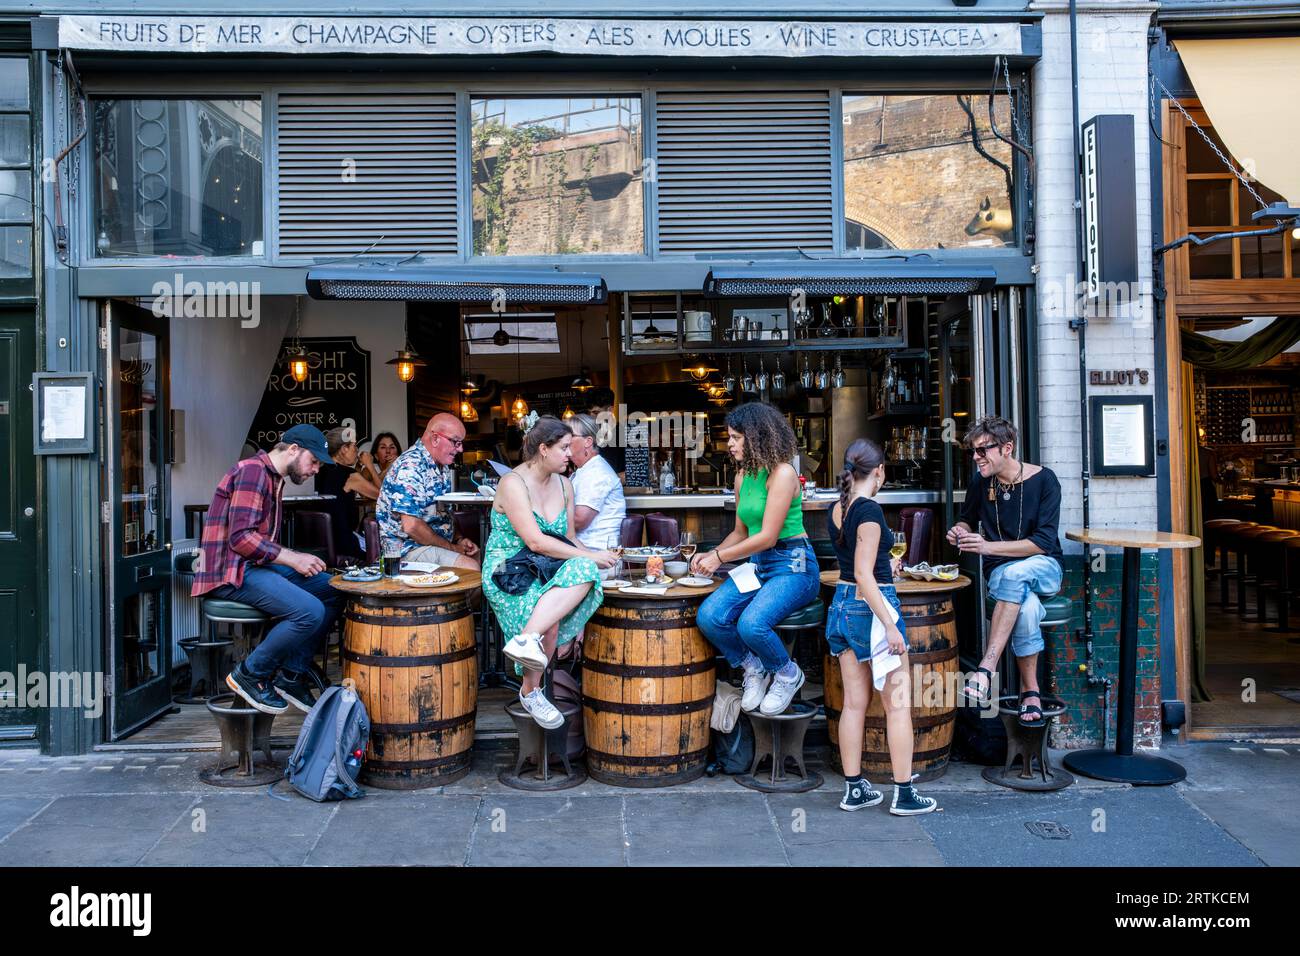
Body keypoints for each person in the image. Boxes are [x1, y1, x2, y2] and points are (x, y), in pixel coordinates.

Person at [193, 424, 343, 715]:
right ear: (293, 450)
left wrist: (292, 558)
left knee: (334, 588)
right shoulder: (253, 472)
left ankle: (291, 675)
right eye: (314, 461)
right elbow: (241, 539)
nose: (315, 470)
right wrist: (293, 558)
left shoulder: (273, 478)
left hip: (253, 566)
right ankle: (250, 674)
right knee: (309, 611)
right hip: (230, 572)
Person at [825, 438, 938, 816]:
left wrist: (880, 569)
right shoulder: (870, 510)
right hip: (869, 611)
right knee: (898, 706)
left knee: (853, 705)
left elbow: (856, 565)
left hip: (840, 607)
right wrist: (890, 625)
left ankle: (855, 789)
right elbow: (862, 573)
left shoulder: (838, 508)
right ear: (880, 472)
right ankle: (904, 794)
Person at [483, 415, 617, 728]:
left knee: (584, 570)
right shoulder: (512, 483)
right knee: (550, 620)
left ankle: (526, 641)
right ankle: (531, 691)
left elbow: (568, 538)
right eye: (565, 447)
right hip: (509, 569)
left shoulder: (565, 484)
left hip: (547, 565)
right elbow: (535, 541)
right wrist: (591, 556)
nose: (572, 453)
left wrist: (598, 557)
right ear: (544, 449)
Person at [689, 402, 820, 716]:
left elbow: (767, 537)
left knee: (751, 623)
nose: (729, 444)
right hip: (760, 565)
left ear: (757, 436)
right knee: (709, 616)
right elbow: (741, 532)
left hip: (794, 565)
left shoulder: (784, 473)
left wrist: (719, 557)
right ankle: (753, 667)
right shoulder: (742, 477)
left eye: (736, 437)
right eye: (729, 437)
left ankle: (787, 673)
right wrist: (710, 555)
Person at [946, 415, 1064, 727]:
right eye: (973, 451)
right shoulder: (980, 482)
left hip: (1045, 567)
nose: (975, 458)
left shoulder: (1046, 481)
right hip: (1003, 572)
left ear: (1007, 448)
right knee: (1026, 609)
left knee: (1016, 575)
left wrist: (986, 547)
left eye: (982, 450)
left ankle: (987, 667)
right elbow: (966, 518)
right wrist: (959, 531)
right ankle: (1031, 691)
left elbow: (1042, 543)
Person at [376, 414, 480, 570]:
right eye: (455, 442)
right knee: (469, 568)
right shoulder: (411, 466)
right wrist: (452, 548)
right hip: (406, 551)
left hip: (431, 545)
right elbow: (411, 526)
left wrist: (459, 540)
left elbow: (444, 515)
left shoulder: (440, 465)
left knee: (475, 556)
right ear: (436, 438)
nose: (460, 449)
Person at [315, 426, 382, 560]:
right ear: (344, 448)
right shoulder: (349, 476)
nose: (357, 450)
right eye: (354, 446)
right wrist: (370, 465)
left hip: (322, 543)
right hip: (345, 543)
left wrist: (357, 467)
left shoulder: (317, 471)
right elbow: (383, 496)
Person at [567, 412, 627, 550]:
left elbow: (579, 520)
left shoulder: (596, 472)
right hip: (583, 552)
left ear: (588, 441)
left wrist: (541, 518)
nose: (564, 439)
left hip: (598, 557)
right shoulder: (585, 470)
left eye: (570, 436)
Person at [586, 388, 625, 478]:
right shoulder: (587, 436)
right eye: (589, 413)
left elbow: (633, 474)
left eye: (596, 412)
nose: (591, 417)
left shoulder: (626, 434)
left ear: (610, 410)